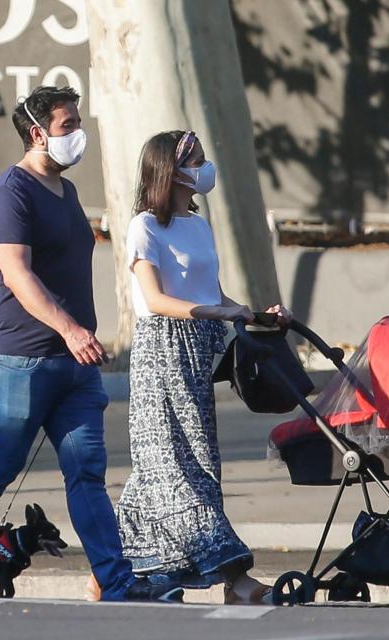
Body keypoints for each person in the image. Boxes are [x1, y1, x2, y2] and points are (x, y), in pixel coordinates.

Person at [0, 86, 180, 603]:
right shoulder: (8, 194)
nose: (78, 135)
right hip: (17, 362)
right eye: (68, 126)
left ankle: (117, 583)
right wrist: (70, 328)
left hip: (74, 366)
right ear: (38, 133)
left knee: (87, 474)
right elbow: (17, 275)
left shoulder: (64, 193)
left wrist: (76, 338)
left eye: (77, 122)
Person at [99, 130, 289, 604]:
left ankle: (114, 573)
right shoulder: (145, 226)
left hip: (199, 351)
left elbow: (213, 294)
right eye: (197, 159)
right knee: (176, 465)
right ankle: (235, 578)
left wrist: (251, 313)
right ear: (172, 169)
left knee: (169, 466)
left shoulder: (198, 226)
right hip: (162, 351)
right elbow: (156, 300)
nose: (206, 167)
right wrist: (218, 314)